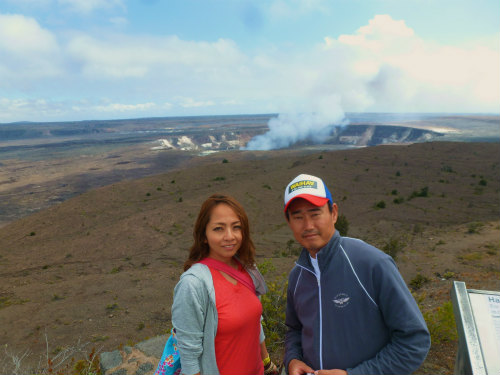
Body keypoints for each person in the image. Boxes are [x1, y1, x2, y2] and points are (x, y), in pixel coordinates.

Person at [282, 174, 431, 375]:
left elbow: (415, 341)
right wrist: (293, 359)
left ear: (333, 213)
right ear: (289, 222)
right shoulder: (297, 276)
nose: (308, 225)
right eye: (298, 217)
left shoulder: (371, 264)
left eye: (315, 213)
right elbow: (295, 330)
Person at [171, 193, 278, 375]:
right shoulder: (193, 284)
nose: (230, 236)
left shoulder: (247, 269)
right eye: (219, 229)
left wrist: (266, 362)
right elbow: (189, 355)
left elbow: (254, 324)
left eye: (236, 227)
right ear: (204, 235)